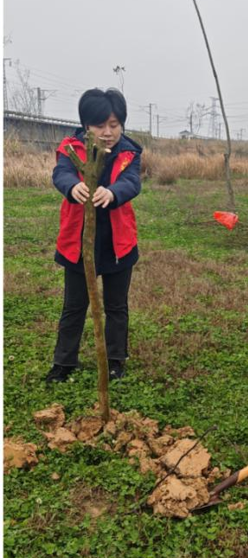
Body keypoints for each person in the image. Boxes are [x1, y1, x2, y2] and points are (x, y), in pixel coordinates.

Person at [46, 88, 142, 383]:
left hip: (117, 243)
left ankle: (115, 361)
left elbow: (132, 182)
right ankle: (64, 362)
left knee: (116, 306)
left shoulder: (129, 152)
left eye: (114, 125)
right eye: (100, 125)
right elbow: (61, 173)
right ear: (86, 125)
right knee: (74, 306)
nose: (108, 132)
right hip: (78, 242)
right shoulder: (71, 149)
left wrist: (112, 193)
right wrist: (71, 186)